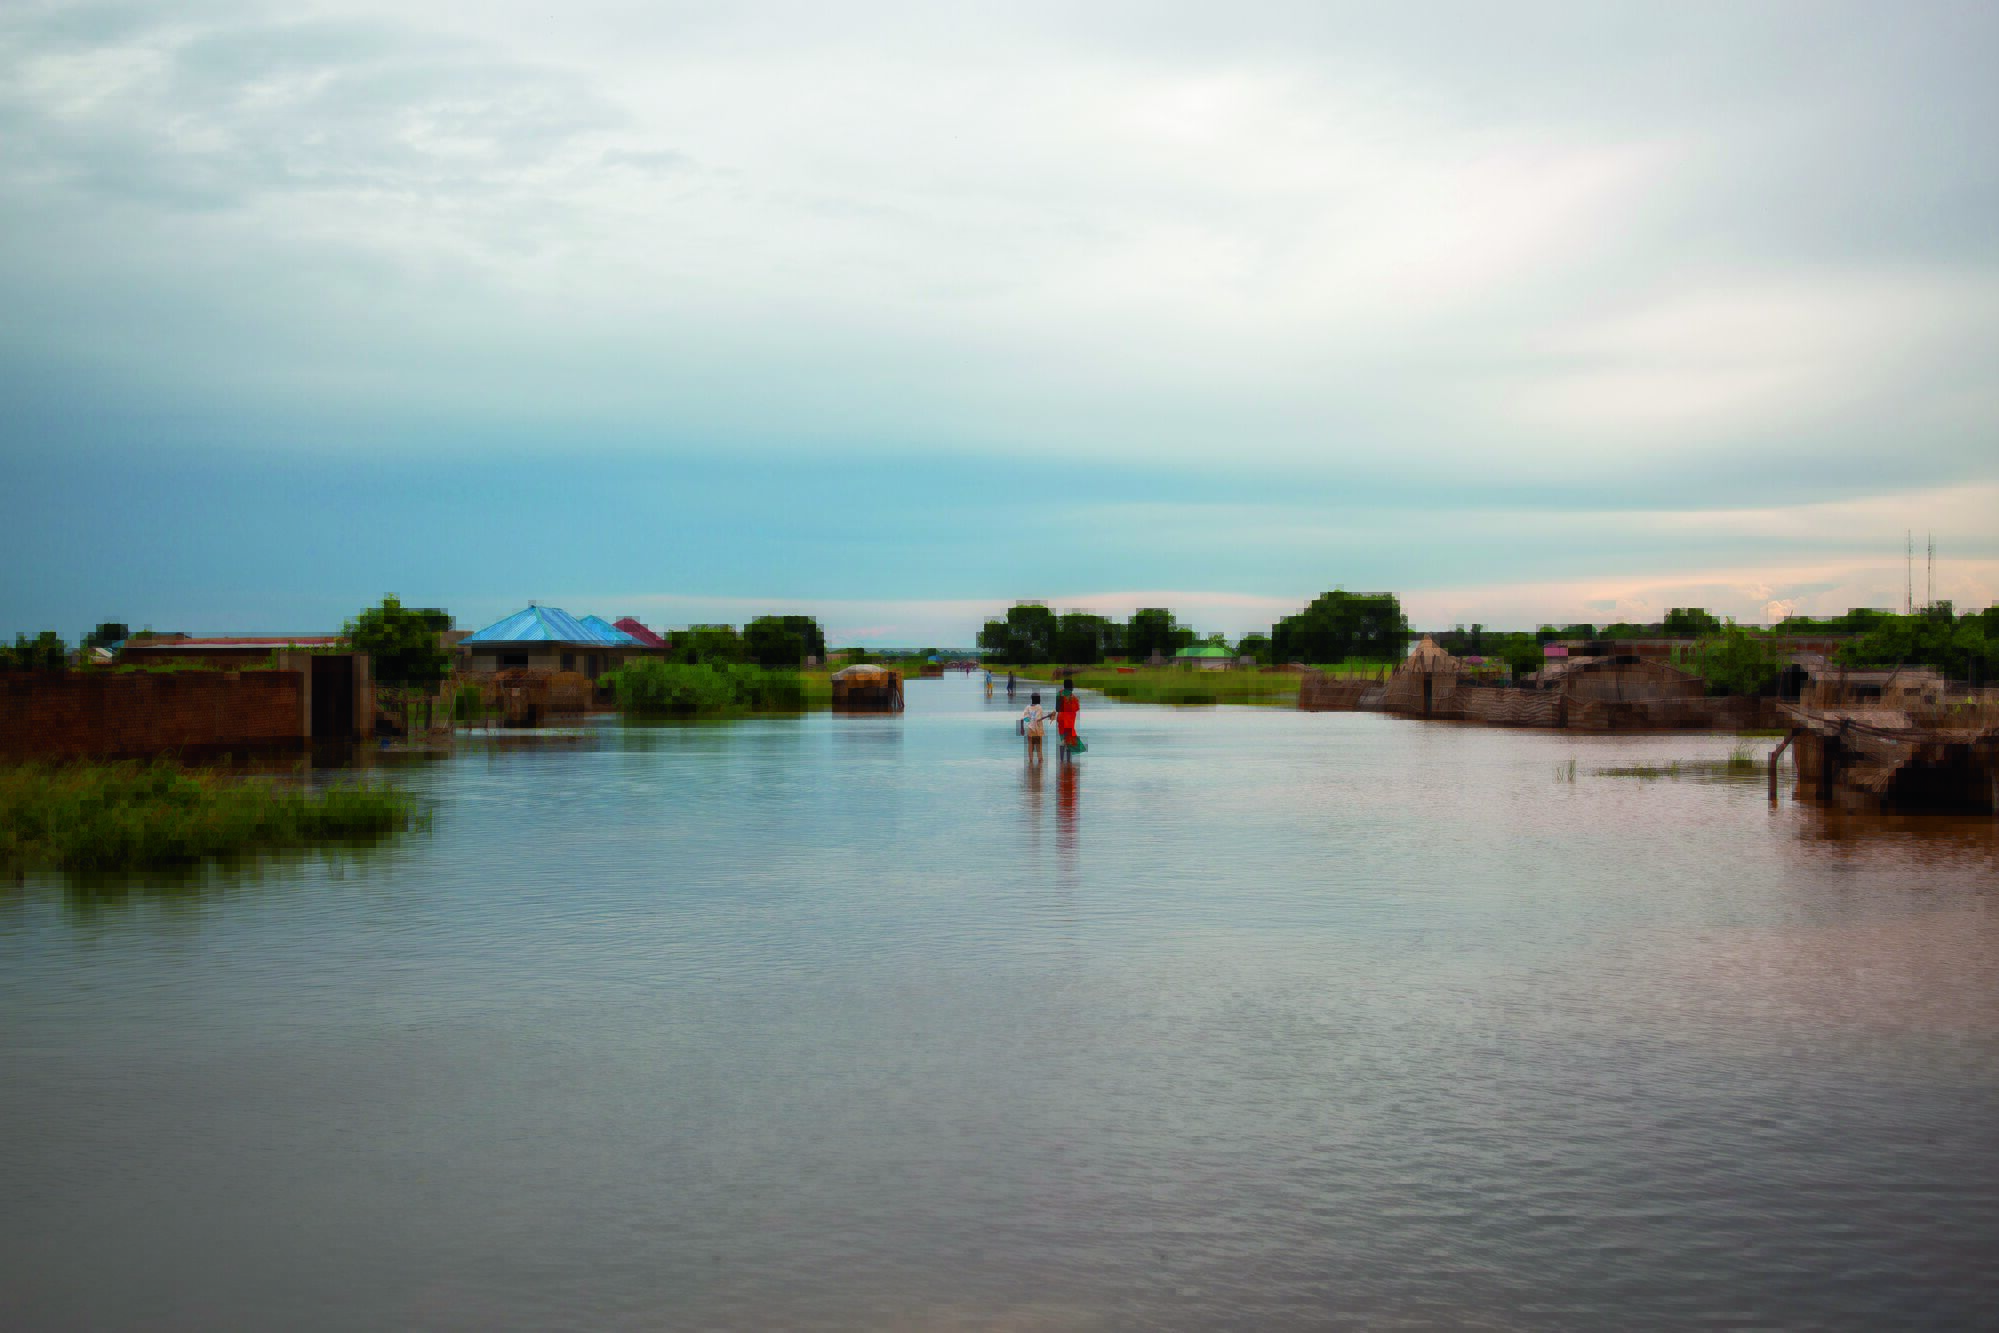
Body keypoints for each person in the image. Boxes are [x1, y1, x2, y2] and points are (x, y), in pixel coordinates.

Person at [1054, 677, 1081, 755]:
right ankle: (1068, 761)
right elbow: (1076, 709)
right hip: (1069, 720)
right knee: (1069, 739)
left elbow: (1057, 708)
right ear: (1070, 686)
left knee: (1063, 738)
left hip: (1061, 718)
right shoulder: (1074, 698)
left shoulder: (1059, 694)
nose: (1073, 687)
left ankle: (1062, 761)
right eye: (1073, 686)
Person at [1019, 691, 1048, 759]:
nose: (1040, 700)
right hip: (1037, 730)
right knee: (1039, 748)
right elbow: (1038, 719)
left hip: (1030, 729)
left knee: (1030, 747)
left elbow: (1022, 718)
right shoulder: (1039, 707)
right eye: (1039, 698)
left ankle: (1031, 762)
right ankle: (1040, 763)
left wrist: (1022, 728)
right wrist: (1048, 716)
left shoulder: (1028, 707)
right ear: (1037, 699)